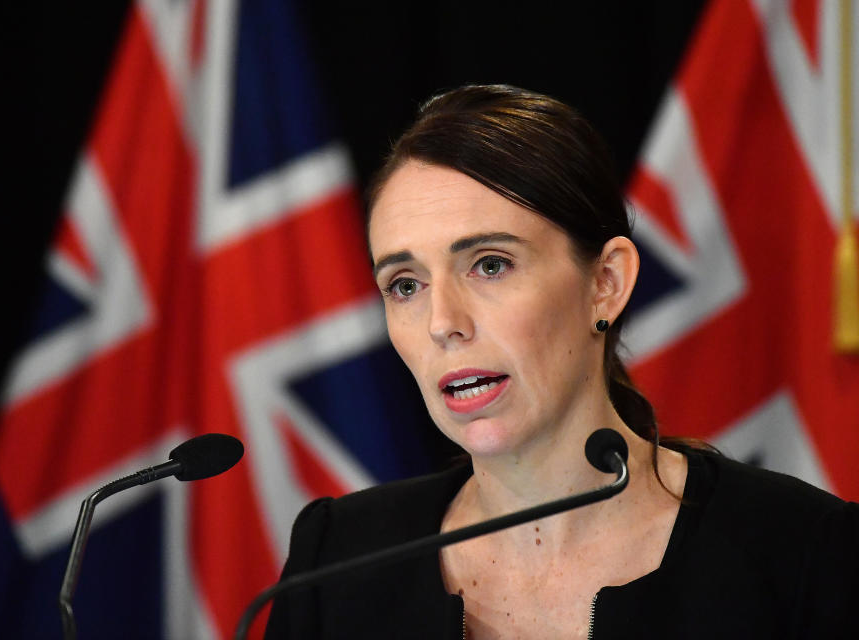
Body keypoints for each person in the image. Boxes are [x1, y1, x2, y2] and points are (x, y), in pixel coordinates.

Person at [263, 85, 859, 639]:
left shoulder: (804, 553)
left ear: (606, 283)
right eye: (405, 284)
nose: (443, 322)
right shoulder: (337, 559)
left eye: (490, 265)